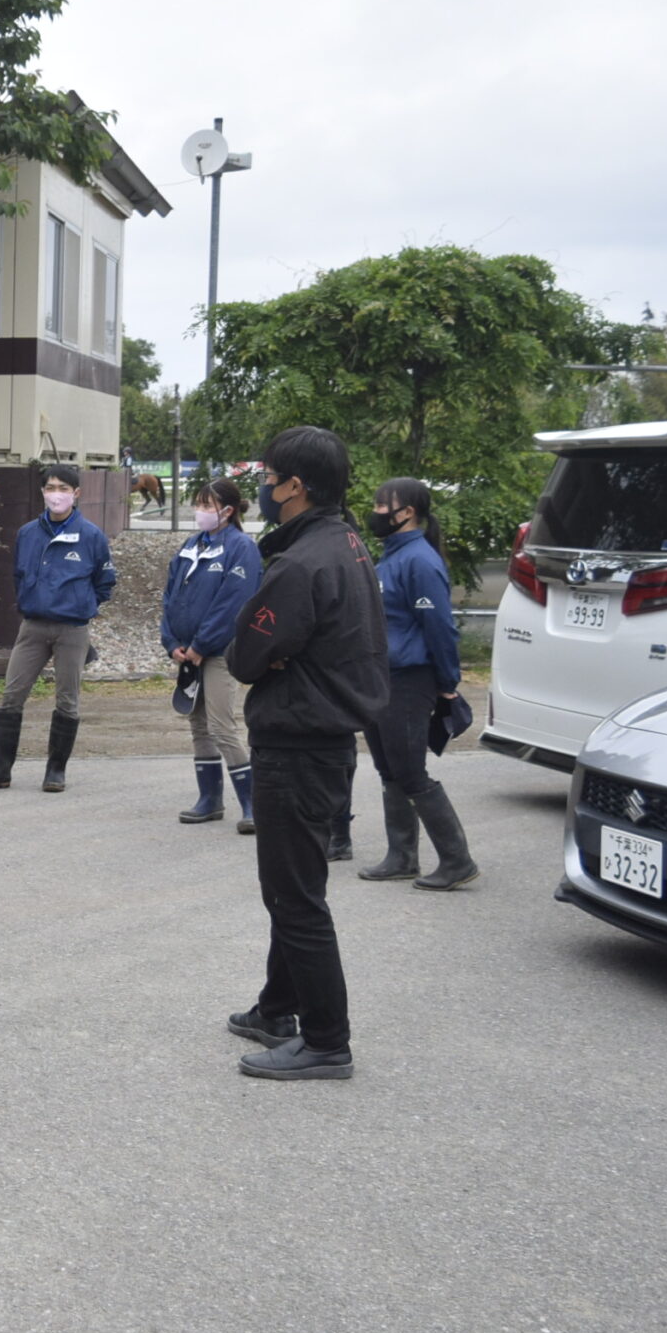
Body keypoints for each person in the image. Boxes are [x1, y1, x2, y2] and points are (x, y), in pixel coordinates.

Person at [223, 426, 389, 1080]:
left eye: (269, 475)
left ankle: (326, 1038)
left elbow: (243, 657)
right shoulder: (348, 543)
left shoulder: (301, 563)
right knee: (297, 884)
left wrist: (273, 654)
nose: (263, 485)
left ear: (294, 485)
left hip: (297, 742)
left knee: (294, 897)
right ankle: (277, 1006)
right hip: (326, 742)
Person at [354, 478, 480, 890]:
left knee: (410, 771)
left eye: (381, 504)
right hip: (382, 677)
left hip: (410, 679)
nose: (374, 510)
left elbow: (439, 627)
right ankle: (402, 857)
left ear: (406, 512)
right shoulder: (390, 557)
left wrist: (448, 683)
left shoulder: (420, 561)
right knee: (389, 767)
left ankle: (457, 860)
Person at [0, 464, 116, 793]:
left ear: (76, 494)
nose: (56, 494)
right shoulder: (27, 533)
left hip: (72, 630)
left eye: (63, 488)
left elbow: (105, 581)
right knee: (11, 696)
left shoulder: (92, 536)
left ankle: (55, 771)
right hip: (33, 627)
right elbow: (19, 575)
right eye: (50, 487)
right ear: (43, 492)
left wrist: (83, 605)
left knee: (68, 700)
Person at [161, 477, 263, 828]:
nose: (200, 512)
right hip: (188, 653)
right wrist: (171, 641)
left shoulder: (241, 548)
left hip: (218, 652)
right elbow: (170, 596)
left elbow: (233, 603)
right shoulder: (191, 546)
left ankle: (252, 804)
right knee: (198, 725)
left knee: (221, 726)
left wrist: (202, 645)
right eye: (198, 505)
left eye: (207, 506)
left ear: (228, 510)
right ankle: (210, 799)